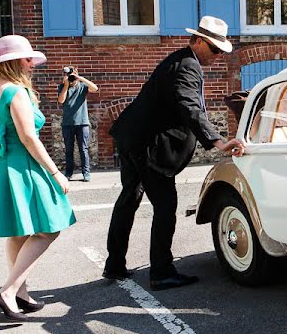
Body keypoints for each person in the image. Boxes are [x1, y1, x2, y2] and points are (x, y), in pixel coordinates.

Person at [104, 15, 244, 290]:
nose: (217, 56)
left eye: (220, 51)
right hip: (148, 147)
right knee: (165, 207)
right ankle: (161, 272)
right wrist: (217, 141)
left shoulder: (179, 60)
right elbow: (189, 106)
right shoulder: (187, 67)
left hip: (132, 137)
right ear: (199, 41)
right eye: (215, 49)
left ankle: (114, 265)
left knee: (128, 200)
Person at [0, 35, 76, 321]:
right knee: (50, 226)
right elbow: (29, 137)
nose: (32, 64)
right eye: (28, 59)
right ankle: (9, 290)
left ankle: (20, 292)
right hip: (19, 164)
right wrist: (56, 173)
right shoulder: (15, 91)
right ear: (13, 62)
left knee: (19, 231)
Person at [57, 67, 98, 182]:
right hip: (67, 124)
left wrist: (80, 78)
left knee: (83, 149)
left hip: (82, 123)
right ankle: (69, 173)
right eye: (68, 75)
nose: (71, 79)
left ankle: (86, 173)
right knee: (69, 149)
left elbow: (95, 88)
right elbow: (61, 100)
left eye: (72, 76)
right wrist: (66, 85)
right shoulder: (62, 87)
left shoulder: (83, 87)